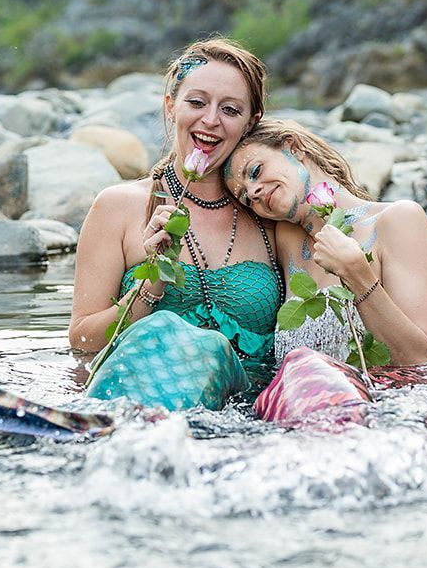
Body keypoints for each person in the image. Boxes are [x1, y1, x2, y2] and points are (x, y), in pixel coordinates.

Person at [68, 38, 282, 390]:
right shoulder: (116, 207)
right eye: (197, 102)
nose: (210, 120)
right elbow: (83, 342)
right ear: (171, 106)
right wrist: (151, 284)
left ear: (251, 121)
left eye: (230, 110)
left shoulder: (268, 212)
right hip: (144, 408)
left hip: (247, 419)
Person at [223, 118, 427, 368]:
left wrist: (357, 275)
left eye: (255, 171)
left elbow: (422, 360)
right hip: (301, 403)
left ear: (293, 147)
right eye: (245, 198)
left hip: (384, 402)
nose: (252, 193)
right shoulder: (285, 241)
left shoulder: (398, 220)